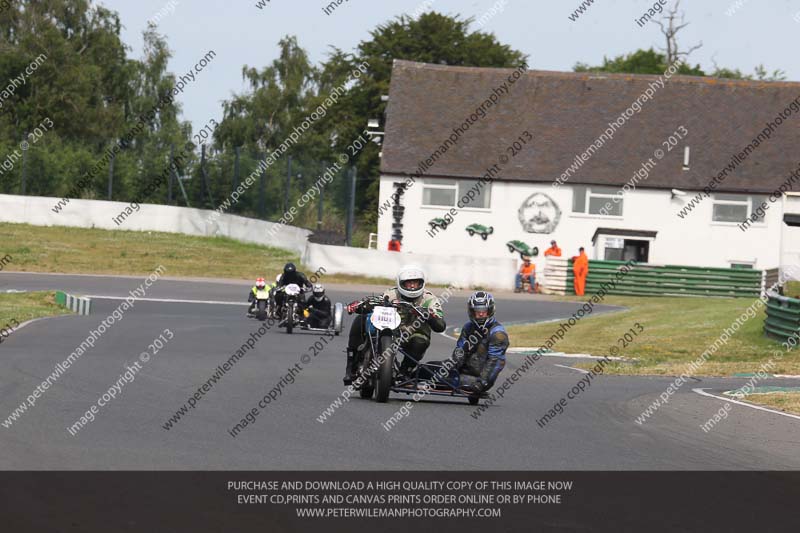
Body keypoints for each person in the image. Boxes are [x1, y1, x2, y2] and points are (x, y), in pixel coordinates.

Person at [344, 265, 445, 385]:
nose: (412, 286)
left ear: (421, 284)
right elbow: (374, 303)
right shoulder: (391, 294)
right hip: (391, 330)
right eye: (409, 283)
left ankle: (404, 372)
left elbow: (440, 326)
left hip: (414, 334)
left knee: (420, 341)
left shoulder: (430, 299)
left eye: (416, 283)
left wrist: (427, 314)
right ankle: (352, 365)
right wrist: (360, 305)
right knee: (361, 319)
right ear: (401, 283)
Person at [421, 292, 508, 394]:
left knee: (442, 379)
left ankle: (426, 382)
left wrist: (481, 384)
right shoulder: (468, 327)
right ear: (471, 311)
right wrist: (449, 366)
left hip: (476, 378)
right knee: (426, 368)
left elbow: (495, 363)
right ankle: (406, 378)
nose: (480, 314)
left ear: (490, 311)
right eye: (477, 310)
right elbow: (459, 351)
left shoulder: (498, 334)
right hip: (460, 370)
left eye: (484, 311)